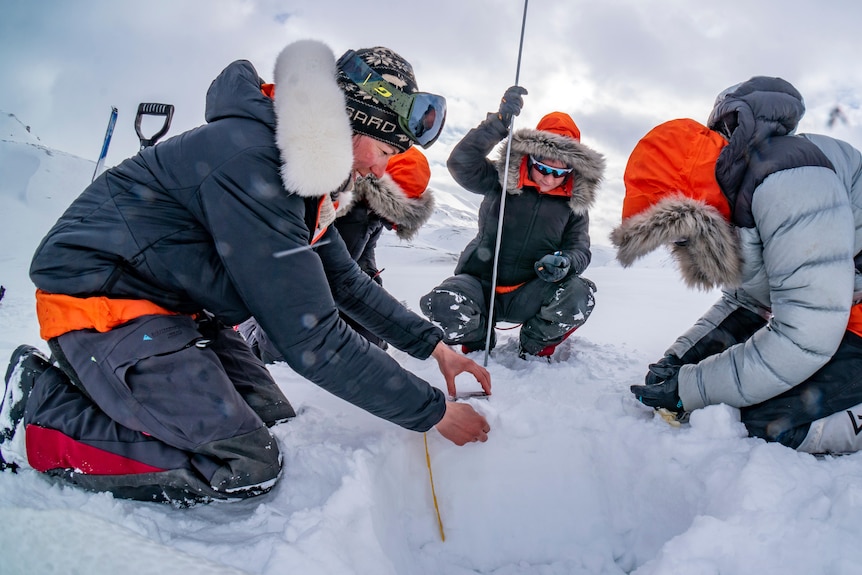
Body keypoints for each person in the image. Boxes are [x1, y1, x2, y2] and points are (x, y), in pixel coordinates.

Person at [0, 40, 492, 504]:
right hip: (101, 306)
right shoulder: (253, 160)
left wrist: (436, 348)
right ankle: (38, 416)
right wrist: (434, 413)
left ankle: (125, 393)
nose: (381, 171)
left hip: (172, 311)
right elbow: (312, 339)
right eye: (385, 153)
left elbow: (344, 282)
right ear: (353, 124)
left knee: (276, 422)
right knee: (248, 462)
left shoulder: (302, 175)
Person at [611, 76, 862, 454]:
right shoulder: (738, 198)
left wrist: (690, 388)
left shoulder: (792, 185)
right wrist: (678, 362)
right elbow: (745, 303)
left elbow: (807, 335)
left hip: (846, 321)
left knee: (765, 421)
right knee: (731, 394)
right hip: (834, 314)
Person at [420, 86, 605, 359]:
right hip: (481, 284)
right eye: (543, 166)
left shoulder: (574, 206)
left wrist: (566, 263)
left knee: (579, 294)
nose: (548, 178)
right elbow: (461, 163)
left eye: (559, 172)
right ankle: (477, 339)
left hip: (531, 292)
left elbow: (580, 249)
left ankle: (534, 346)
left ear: (572, 170)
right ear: (530, 155)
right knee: (443, 303)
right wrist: (498, 123)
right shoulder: (500, 179)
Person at [238, 146, 436, 360]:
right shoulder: (338, 205)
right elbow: (310, 267)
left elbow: (363, 260)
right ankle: (248, 324)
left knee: (371, 341)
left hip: (337, 287)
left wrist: (372, 289)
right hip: (293, 287)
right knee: (282, 348)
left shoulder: (373, 215)